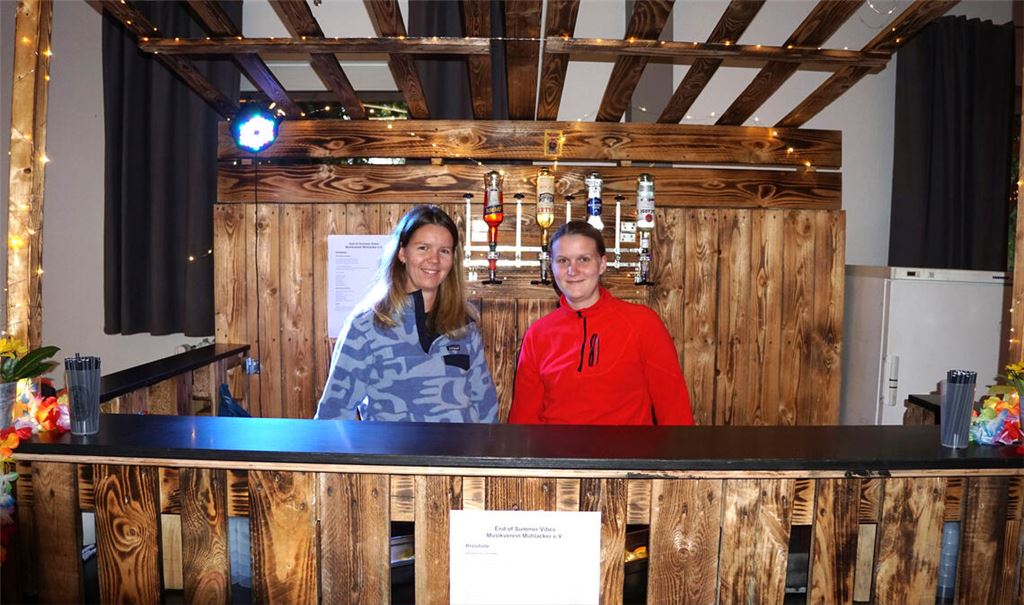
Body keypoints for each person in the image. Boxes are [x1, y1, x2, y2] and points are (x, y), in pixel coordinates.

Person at [315, 205, 498, 422]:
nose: (434, 259)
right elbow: (333, 415)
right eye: (423, 248)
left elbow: (486, 410)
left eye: (444, 251)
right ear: (402, 253)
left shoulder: (464, 325)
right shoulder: (367, 326)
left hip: (457, 455)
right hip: (393, 455)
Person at [509, 220, 695, 425]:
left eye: (583, 259)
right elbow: (523, 420)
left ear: (602, 264)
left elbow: (675, 410)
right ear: (551, 266)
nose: (573, 270)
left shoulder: (643, 323)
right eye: (562, 261)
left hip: (628, 455)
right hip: (557, 455)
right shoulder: (538, 334)